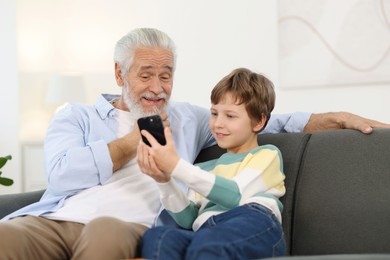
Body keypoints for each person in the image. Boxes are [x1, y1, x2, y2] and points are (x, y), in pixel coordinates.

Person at [0, 28, 388, 260]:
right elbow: (61, 175)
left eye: (165, 75)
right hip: (56, 220)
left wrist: (335, 118)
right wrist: (130, 141)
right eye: (146, 74)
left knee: (104, 232)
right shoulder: (76, 116)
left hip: (123, 225)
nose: (157, 87)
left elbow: (257, 119)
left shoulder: (189, 117)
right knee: (7, 236)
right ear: (119, 73)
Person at [137, 67, 286, 259]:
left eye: (230, 116)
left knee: (208, 244)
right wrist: (164, 181)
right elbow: (187, 219)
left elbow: (235, 195)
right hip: (205, 229)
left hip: (251, 221)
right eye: (214, 113)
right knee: (158, 237)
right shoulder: (204, 169)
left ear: (258, 122)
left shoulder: (266, 155)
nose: (218, 124)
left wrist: (176, 165)